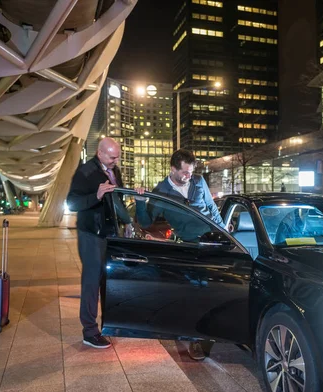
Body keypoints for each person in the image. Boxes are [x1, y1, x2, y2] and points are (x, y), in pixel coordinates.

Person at [135, 149, 224, 360]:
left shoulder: (199, 181)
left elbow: (211, 208)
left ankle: (216, 329)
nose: (188, 177)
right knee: (193, 295)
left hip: (212, 242)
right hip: (188, 247)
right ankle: (194, 340)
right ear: (173, 169)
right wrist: (140, 201)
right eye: (184, 172)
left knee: (215, 291)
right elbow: (146, 223)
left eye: (191, 172)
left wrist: (225, 235)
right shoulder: (161, 191)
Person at [66, 137, 131, 349]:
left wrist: (127, 222)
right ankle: (89, 331)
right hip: (91, 234)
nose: (115, 160)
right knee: (92, 282)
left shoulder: (115, 171)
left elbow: (118, 201)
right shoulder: (85, 172)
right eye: (112, 157)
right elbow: (72, 202)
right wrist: (96, 194)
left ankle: (110, 325)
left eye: (117, 156)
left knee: (109, 280)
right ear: (100, 153)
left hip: (110, 233)